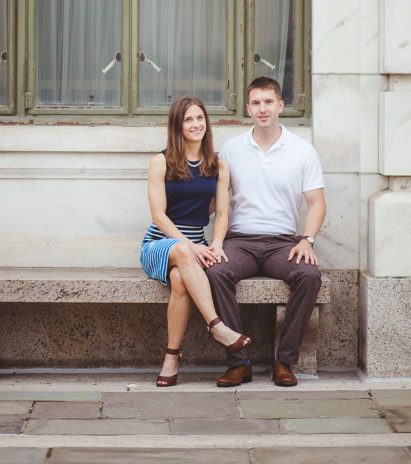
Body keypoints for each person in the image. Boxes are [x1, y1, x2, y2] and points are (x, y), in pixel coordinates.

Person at [207, 76, 326, 388]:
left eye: (268, 102)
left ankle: (284, 360)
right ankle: (239, 362)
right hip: (239, 241)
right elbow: (216, 202)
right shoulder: (231, 149)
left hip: (282, 243)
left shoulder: (302, 150)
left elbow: (316, 203)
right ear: (248, 107)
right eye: (256, 103)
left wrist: (307, 240)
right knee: (216, 271)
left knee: (310, 276)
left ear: (281, 106)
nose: (262, 109)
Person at [140, 95, 251, 387]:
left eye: (200, 118)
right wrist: (189, 247)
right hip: (160, 243)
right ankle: (217, 326)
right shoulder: (160, 162)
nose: (195, 124)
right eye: (188, 119)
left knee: (180, 282)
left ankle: (171, 356)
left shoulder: (217, 165)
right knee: (181, 251)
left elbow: (223, 214)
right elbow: (159, 216)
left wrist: (216, 244)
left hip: (197, 247)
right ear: (177, 124)